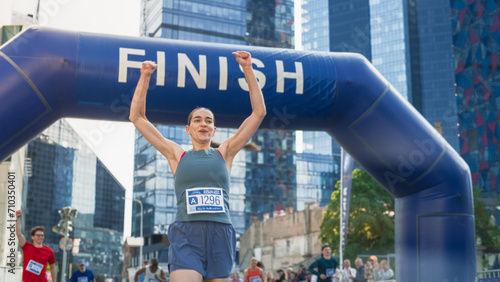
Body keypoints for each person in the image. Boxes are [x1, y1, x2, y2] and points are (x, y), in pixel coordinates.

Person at [129, 50, 266, 282]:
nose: (203, 123)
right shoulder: (176, 154)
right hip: (187, 235)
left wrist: (248, 69)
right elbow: (137, 117)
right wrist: (144, 76)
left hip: (220, 234)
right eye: (197, 120)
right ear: (188, 129)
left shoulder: (225, 152)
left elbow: (258, 112)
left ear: (214, 130)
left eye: (209, 121)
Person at [15, 210, 57, 282]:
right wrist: (18, 218)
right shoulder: (26, 247)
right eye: (38, 235)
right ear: (33, 237)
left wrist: (55, 281)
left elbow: (53, 267)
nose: (40, 237)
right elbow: (19, 234)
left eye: (42, 235)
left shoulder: (49, 251)